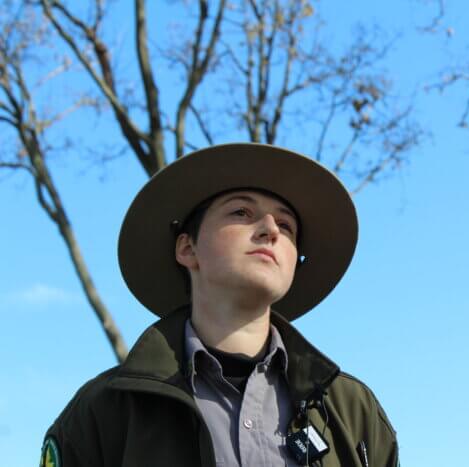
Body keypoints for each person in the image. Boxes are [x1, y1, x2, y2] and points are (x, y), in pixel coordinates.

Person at [40, 143, 398, 467]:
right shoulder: (105, 412)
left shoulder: (352, 412)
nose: (271, 229)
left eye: (287, 226)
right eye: (241, 212)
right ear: (187, 248)